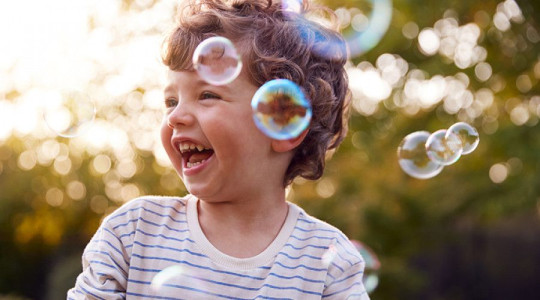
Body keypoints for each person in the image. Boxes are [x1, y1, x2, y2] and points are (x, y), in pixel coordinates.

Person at [68, 0, 370, 298]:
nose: (175, 116)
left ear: (283, 123)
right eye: (171, 101)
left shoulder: (328, 264)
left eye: (207, 94)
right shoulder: (132, 234)